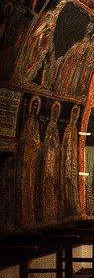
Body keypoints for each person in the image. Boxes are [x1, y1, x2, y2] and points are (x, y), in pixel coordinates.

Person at [19, 96, 41, 227]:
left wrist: (37, 144)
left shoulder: (37, 123)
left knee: (31, 181)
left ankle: (30, 213)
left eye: (36, 106)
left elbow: (36, 137)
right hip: (27, 155)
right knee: (25, 180)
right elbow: (26, 136)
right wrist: (35, 142)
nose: (34, 108)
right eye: (33, 105)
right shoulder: (27, 121)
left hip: (33, 156)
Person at [41, 101, 61, 223]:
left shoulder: (56, 128)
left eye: (57, 112)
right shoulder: (49, 126)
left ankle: (52, 209)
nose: (55, 114)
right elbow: (46, 142)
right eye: (54, 111)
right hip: (48, 155)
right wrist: (50, 141)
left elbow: (57, 143)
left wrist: (56, 145)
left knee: (53, 181)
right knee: (47, 180)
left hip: (53, 157)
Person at [60, 105, 81, 218]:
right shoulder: (68, 128)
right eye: (73, 113)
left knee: (72, 182)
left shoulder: (75, 129)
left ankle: (73, 208)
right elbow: (64, 144)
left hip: (72, 159)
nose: (74, 115)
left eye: (76, 114)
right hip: (66, 158)